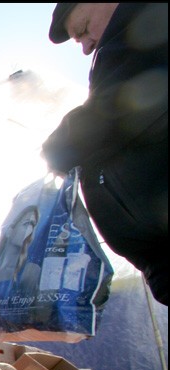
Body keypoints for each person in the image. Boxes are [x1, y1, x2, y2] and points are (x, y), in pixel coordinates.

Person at [41, 3, 168, 306]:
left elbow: (116, 107)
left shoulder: (149, 24)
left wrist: (58, 147)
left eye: (83, 30)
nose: (85, 48)